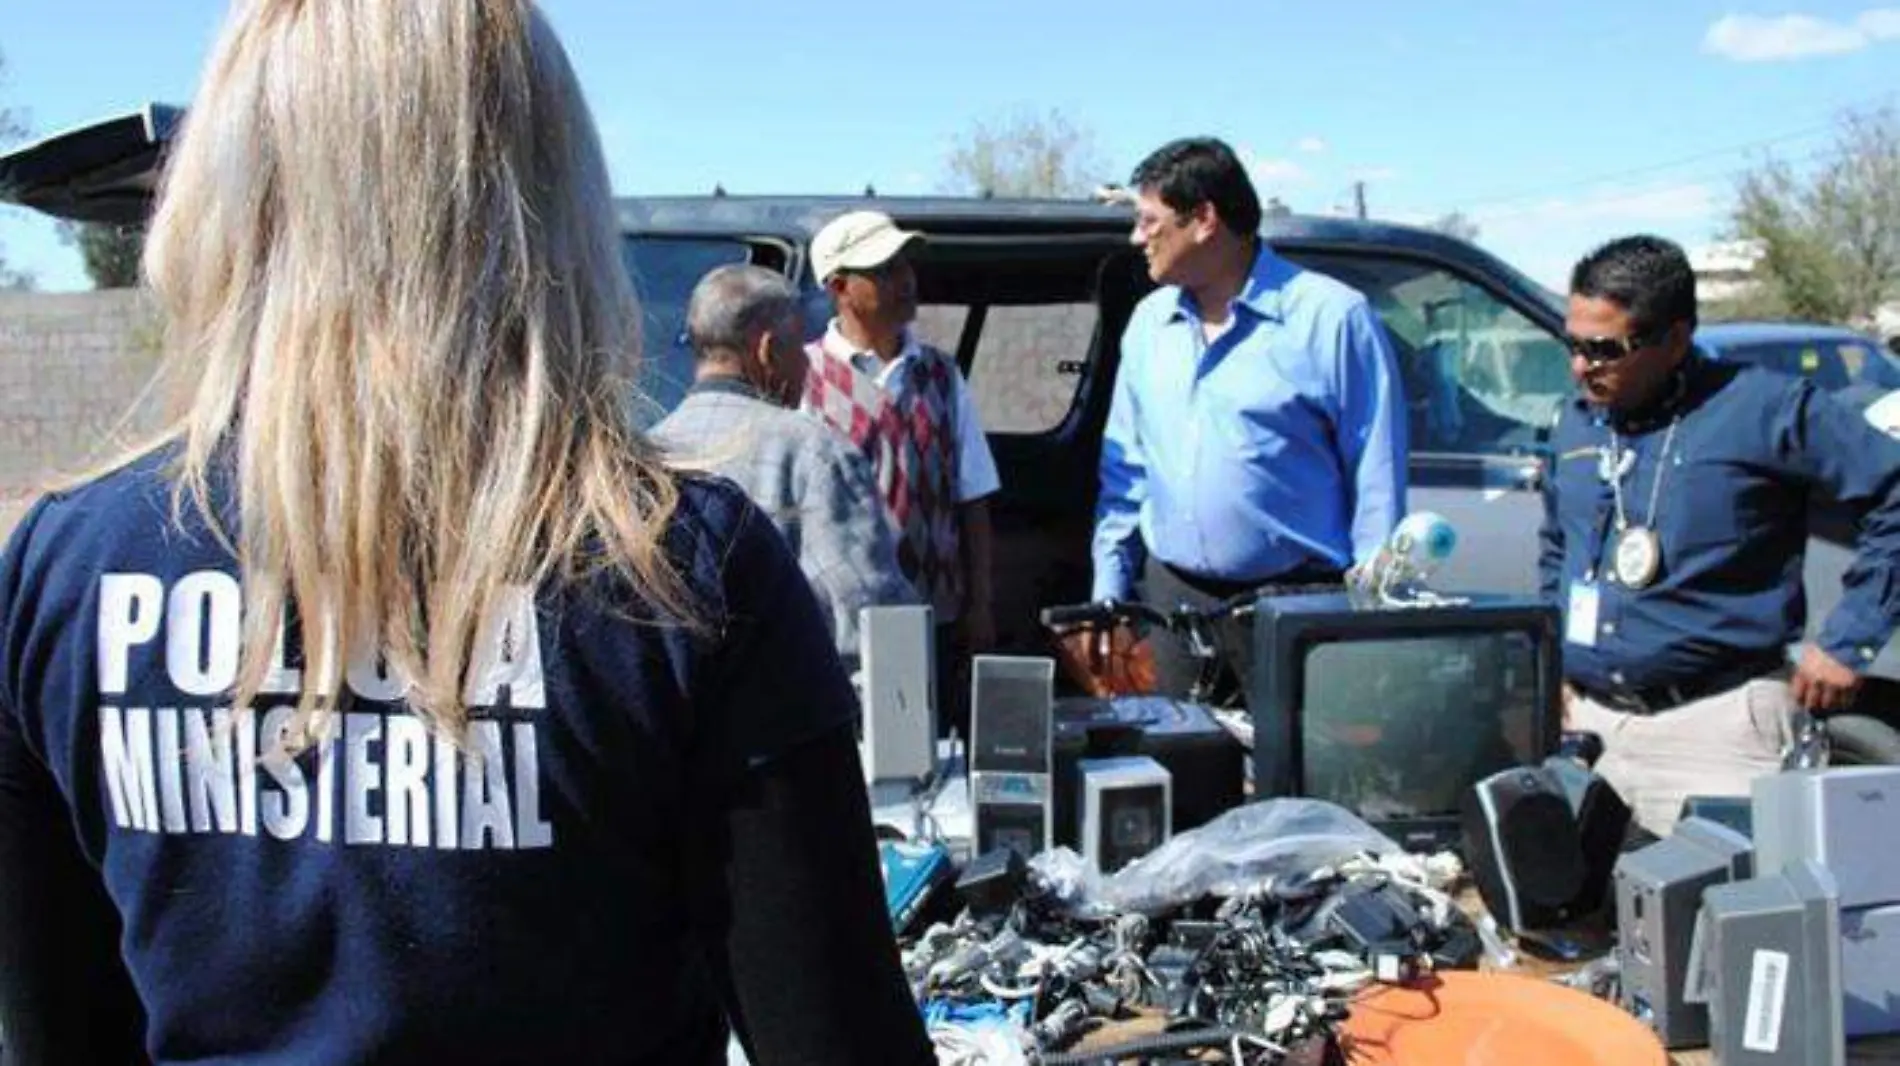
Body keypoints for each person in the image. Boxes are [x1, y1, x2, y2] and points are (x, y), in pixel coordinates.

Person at [0, 3, 933, 1064]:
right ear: (546, 194)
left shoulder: (67, 566)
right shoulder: (681, 567)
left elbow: (54, 1032)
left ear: (221, 191)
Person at [1540, 234, 1900, 836]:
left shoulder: (1770, 410)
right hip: (1590, 730)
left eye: (1605, 349)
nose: (1582, 366)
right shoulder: (1575, 423)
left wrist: (1849, 641)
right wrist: (1548, 663)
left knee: (1718, 920)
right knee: (1585, 923)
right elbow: (1557, 549)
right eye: (1572, 345)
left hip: (1717, 730)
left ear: (1674, 338)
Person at [1091, 137, 1407, 701]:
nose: (1137, 238)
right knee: (1182, 773)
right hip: (1174, 607)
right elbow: (1126, 471)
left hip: (1296, 606)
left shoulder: (1331, 318)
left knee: (1299, 778)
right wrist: (1110, 593)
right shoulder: (1147, 325)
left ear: (1205, 219)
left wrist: (1369, 622)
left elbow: (1376, 477)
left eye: (1149, 221)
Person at [653, 264, 916, 675]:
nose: (807, 367)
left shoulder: (650, 454)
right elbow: (870, 615)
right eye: (799, 349)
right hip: (785, 718)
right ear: (768, 351)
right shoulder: (814, 451)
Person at [804, 210, 999, 739]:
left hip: (930, 617)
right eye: (884, 269)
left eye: (904, 264)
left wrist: (979, 606)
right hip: (836, 623)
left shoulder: (940, 374)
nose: (905, 279)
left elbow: (973, 496)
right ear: (840, 288)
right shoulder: (804, 377)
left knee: (924, 757)